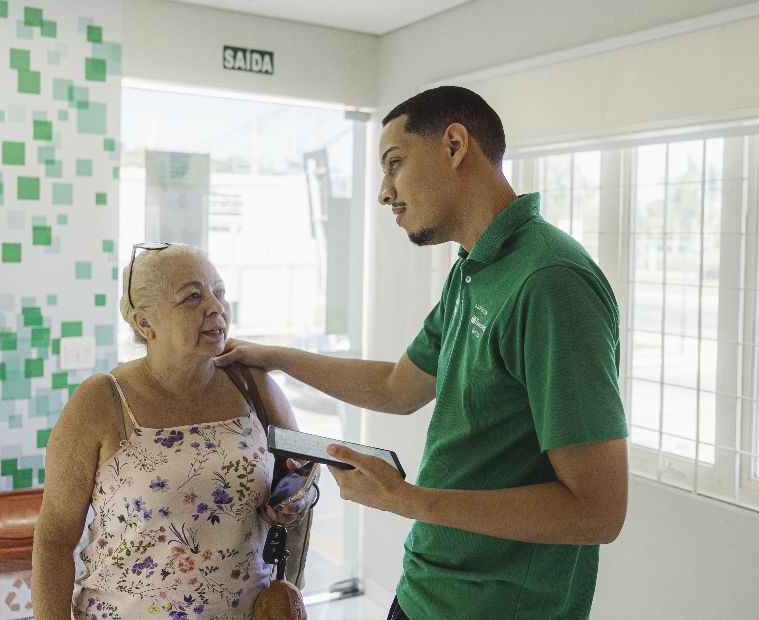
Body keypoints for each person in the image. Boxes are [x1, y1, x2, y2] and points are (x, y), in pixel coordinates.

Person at [216, 85, 629, 619]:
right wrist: (274, 357)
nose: (384, 193)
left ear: (455, 145)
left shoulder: (550, 281)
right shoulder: (474, 268)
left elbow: (597, 511)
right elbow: (397, 386)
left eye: (394, 164)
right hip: (426, 588)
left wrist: (407, 499)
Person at [32, 243, 304, 619]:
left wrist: (294, 497)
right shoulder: (101, 401)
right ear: (145, 323)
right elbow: (55, 541)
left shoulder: (252, 385)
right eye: (192, 296)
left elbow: (301, 471)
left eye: (219, 292)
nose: (216, 307)